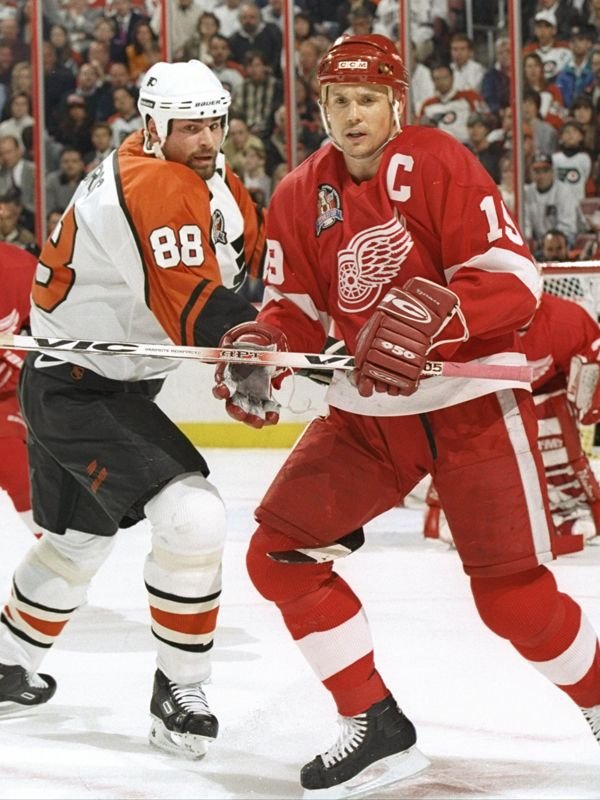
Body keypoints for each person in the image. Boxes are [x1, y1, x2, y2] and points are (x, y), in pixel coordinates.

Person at [211, 34, 600, 796]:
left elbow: (516, 285)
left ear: (396, 102)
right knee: (278, 553)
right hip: (369, 415)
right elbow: (292, 311)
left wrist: (438, 316)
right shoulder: (298, 194)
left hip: (469, 404)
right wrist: (264, 345)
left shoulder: (437, 163)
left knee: (511, 600)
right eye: (337, 101)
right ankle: (374, 723)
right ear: (320, 107)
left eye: (366, 99)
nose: (352, 116)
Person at [0, 59, 266, 759]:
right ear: (152, 126)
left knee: (75, 544)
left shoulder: (212, 182)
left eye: (214, 123)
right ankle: (179, 692)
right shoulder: (150, 179)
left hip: (80, 378)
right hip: (76, 386)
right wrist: (266, 346)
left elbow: (250, 277)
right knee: (194, 512)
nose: (206, 139)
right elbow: (198, 305)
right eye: (188, 127)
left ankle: (5, 664)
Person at [425, 290, 600, 553]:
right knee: (466, 426)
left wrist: (590, 398)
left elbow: (591, 366)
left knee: (550, 413)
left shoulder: (567, 320)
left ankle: (567, 506)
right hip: (482, 395)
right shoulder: (464, 319)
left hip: (544, 399)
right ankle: (462, 511)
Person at [0, 242, 38, 536]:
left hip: (4, 394)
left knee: (18, 474)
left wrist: (21, 361)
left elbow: (45, 329)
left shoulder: (22, 269)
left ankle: (55, 568)